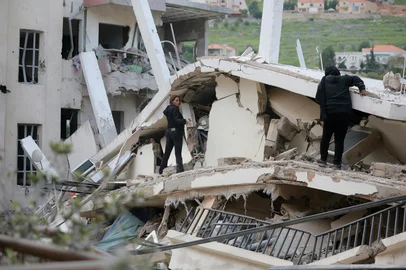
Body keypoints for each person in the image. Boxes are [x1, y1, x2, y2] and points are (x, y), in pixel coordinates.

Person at [315, 66, 367, 169]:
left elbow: (318, 98)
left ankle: (323, 160)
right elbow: (356, 79)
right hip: (344, 114)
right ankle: (336, 164)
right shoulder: (345, 79)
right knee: (339, 139)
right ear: (337, 73)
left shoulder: (324, 81)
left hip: (329, 114)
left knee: (326, 138)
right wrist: (362, 89)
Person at [159, 96, 191, 174]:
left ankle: (161, 169)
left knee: (167, 152)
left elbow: (172, 119)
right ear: (172, 101)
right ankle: (179, 169)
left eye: (179, 100)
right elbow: (177, 120)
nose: (178, 102)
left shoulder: (168, 109)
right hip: (176, 132)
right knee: (178, 151)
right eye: (176, 100)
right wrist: (185, 121)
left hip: (169, 131)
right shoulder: (175, 109)